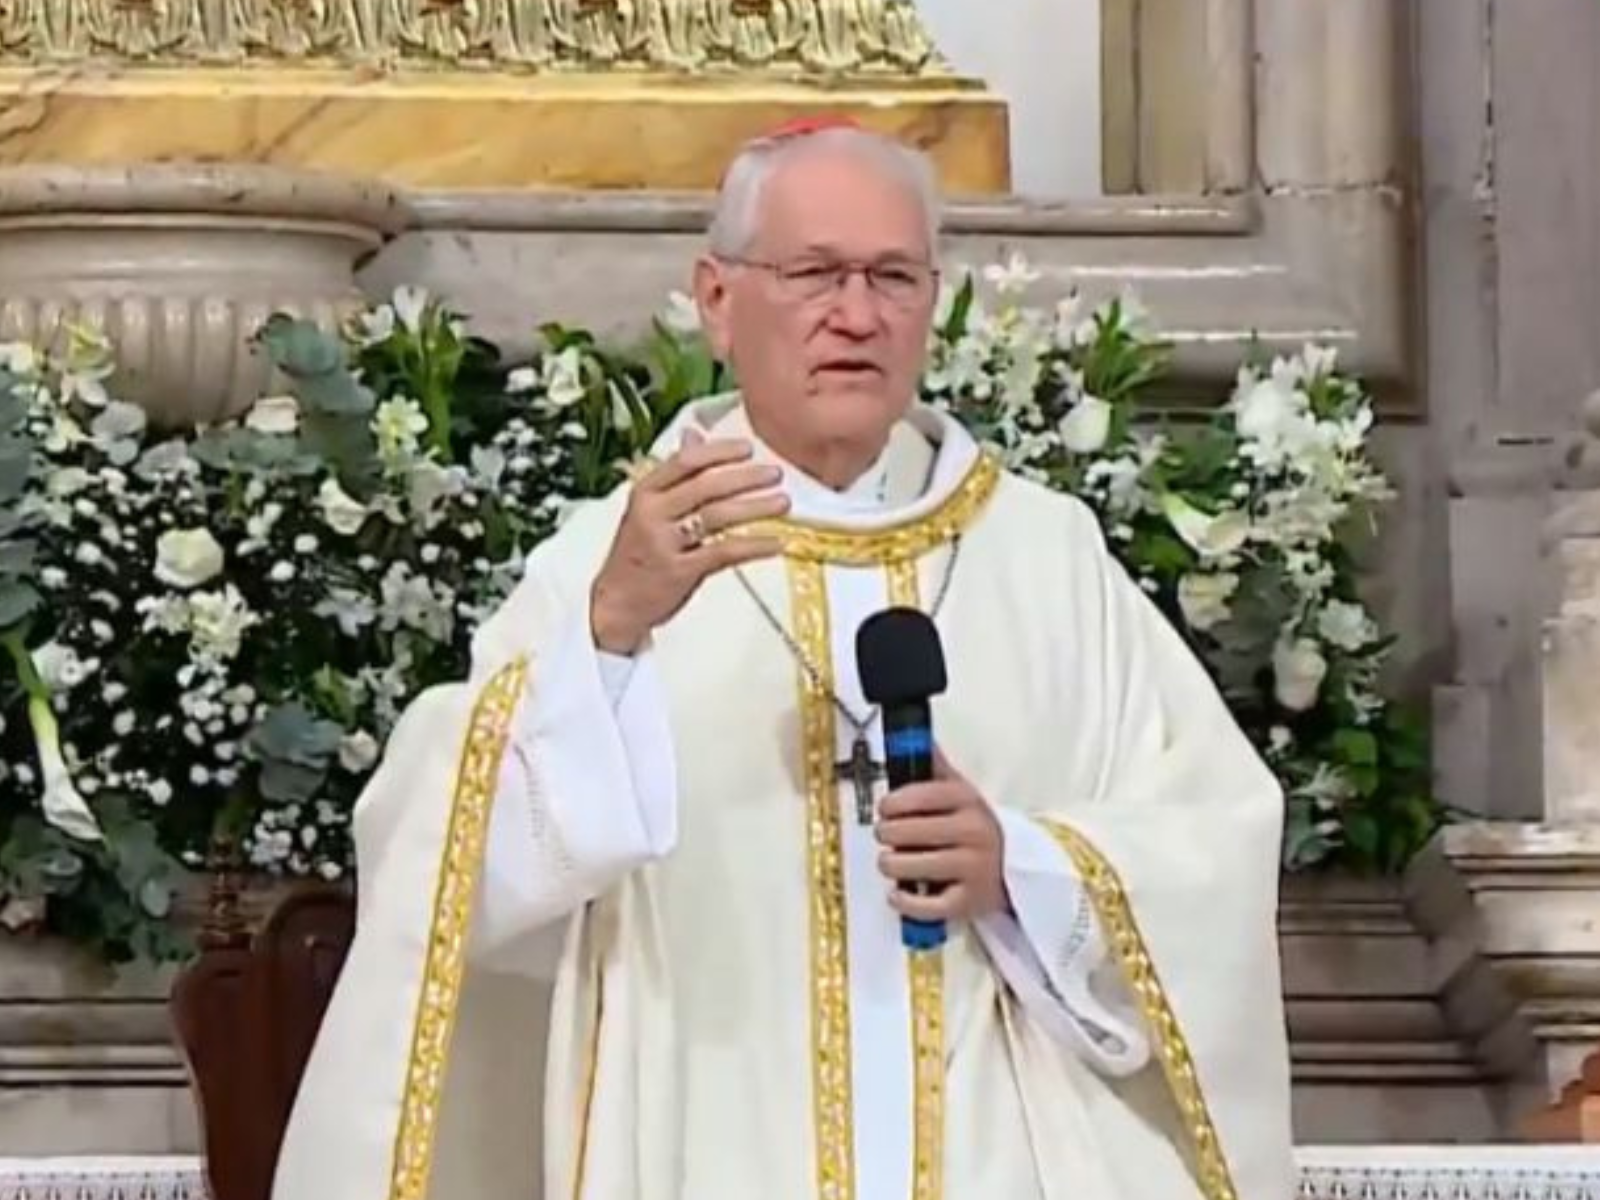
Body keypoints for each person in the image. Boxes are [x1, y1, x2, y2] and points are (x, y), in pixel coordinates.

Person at [271, 120, 1295, 1200]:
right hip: (700, 1141)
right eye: (813, 273)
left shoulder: (1047, 558)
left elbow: (1212, 835)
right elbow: (445, 869)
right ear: (717, 299)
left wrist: (1022, 866)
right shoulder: (612, 559)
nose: (856, 315)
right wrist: (610, 640)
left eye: (893, 276)